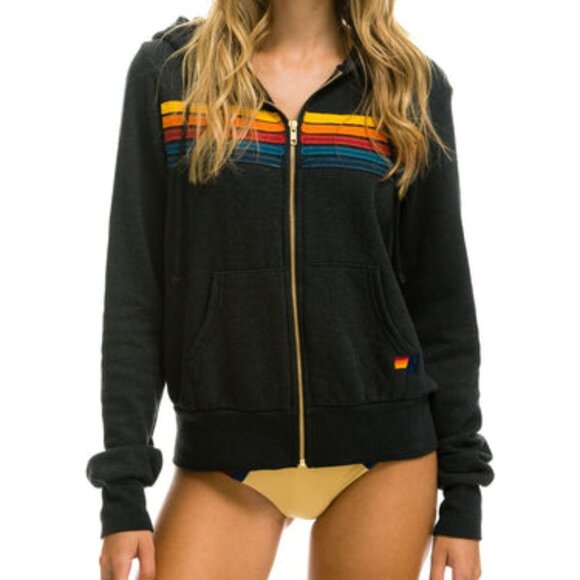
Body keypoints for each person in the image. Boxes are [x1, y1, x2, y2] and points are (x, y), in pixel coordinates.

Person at [85, 1, 495, 578]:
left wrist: (463, 498)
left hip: (385, 452)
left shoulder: (407, 87)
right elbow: (135, 290)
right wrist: (123, 490)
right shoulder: (173, 76)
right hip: (226, 456)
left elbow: (443, 302)